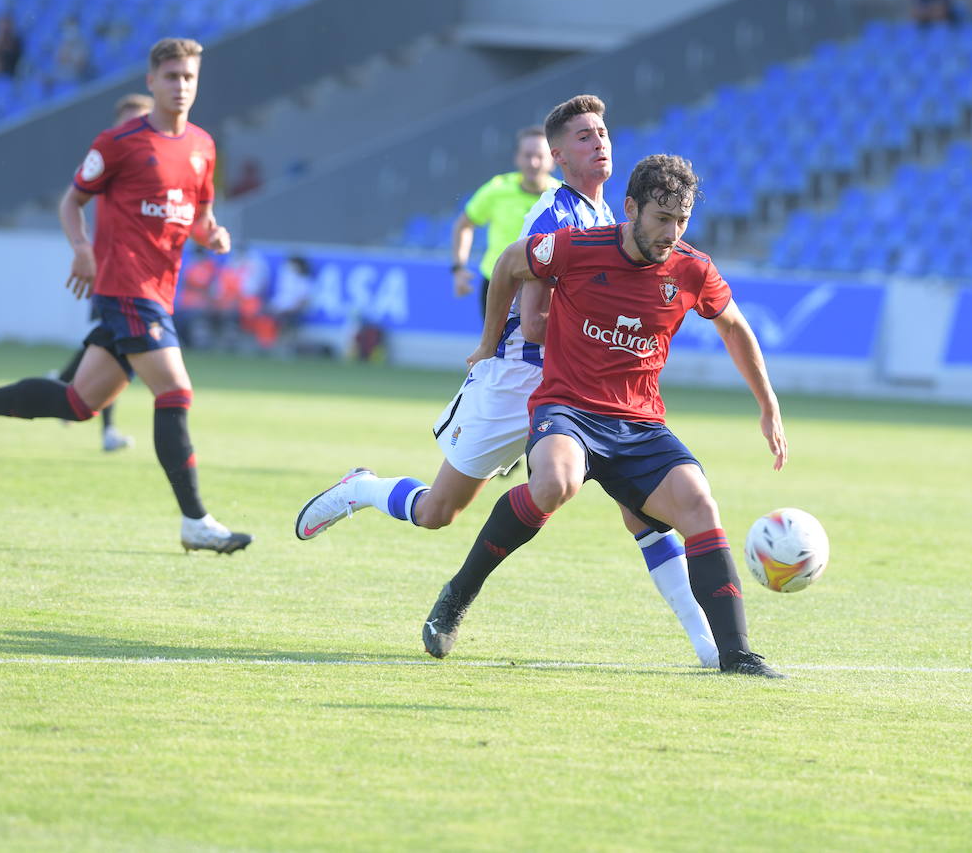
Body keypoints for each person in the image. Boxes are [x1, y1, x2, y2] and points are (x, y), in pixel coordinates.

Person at [295, 95, 720, 668]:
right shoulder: (555, 215)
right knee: (438, 510)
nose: (600, 143)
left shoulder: (613, 220)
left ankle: (709, 646)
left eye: (603, 132)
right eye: (585, 136)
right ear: (557, 154)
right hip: (522, 377)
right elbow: (537, 316)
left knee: (644, 510)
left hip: (582, 392)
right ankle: (363, 489)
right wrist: (501, 343)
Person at [425, 154, 789, 677]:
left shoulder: (691, 268)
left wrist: (767, 402)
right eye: (661, 219)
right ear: (631, 208)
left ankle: (736, 653)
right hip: (567, 408)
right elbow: (508, 264)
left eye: (681, 220)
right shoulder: (577, 247)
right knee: (554, 482)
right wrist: (487, 342)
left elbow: (733, 325)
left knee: (700, 505)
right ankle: (459, 593)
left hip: (639, 424)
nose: (671, 232)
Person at [0, 37, 252, 555]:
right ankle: (195, 520)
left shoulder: (203, 147)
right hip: (125, 287)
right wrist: (81, 249)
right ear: (151, 80)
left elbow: (199, 218)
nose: (181, 86)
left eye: (189, 77)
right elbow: (72, 202)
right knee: (175, 392)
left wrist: (213, 236)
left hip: (158, 293)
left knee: (78, 402)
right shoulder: (120, 142)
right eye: (171, 76)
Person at [52, 92, 156, 454]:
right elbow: (73, 200)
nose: (135, 128)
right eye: (128, 121)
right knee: (118, 347)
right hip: (112, 273)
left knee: (110, 345)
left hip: (140, 277)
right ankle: (99, 423)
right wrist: (84, 249)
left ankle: (63, 385)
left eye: (141, 120)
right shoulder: (111, 162)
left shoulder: (151, 162)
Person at [450, 126, 559, 316]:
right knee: (494, 346)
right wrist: (459, 268)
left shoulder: (561, 197)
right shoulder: (497, 189)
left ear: (552, 160)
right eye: (527, 155)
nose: (533, 163)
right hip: (497, 283)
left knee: (542, 345)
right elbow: (464, 224)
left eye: (540, 156)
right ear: (517, 158)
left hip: (543, 287)